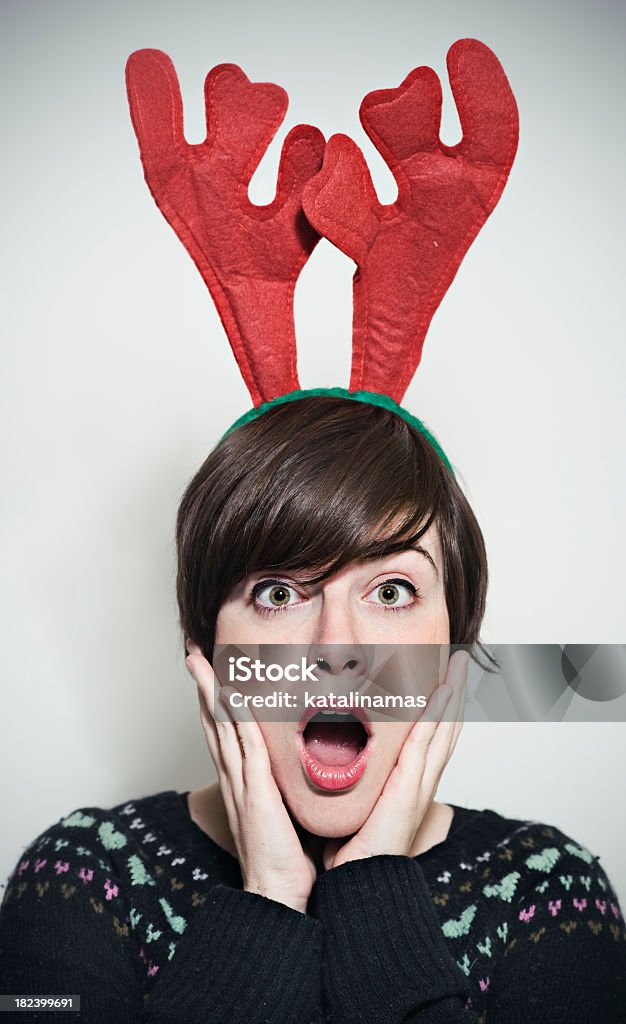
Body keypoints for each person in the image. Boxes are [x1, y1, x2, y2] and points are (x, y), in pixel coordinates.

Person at [2, 39, 625, 1023]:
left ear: (454, 648)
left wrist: (371, 881)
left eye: (390, 589)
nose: (335, 649)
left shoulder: (550, 893)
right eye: (278, 591)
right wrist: (265, 901)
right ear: (203, 647)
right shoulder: (81, 879)